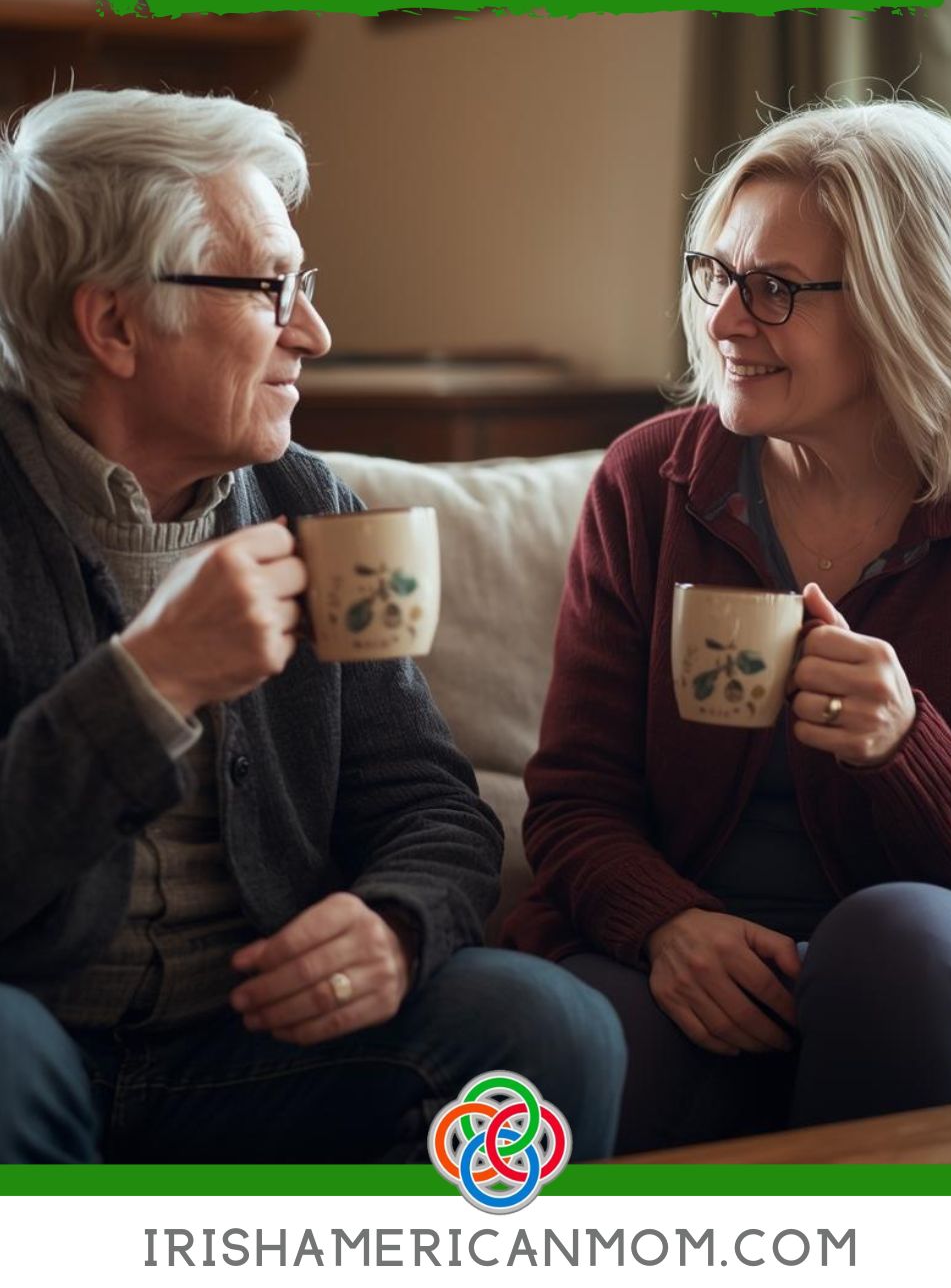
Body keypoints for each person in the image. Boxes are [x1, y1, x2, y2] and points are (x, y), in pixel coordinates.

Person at [0, 87, 625, 1164]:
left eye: (306, 285)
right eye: (268, 289)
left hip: (256, 1051)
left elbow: (430, 799)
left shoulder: (308, 505)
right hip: (33, 1037)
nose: (316, 332)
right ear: (112, 324)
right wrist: (146, 686)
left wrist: (396, 923)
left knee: (544, 1024)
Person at [504, 99, 951, 1154]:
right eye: (716, 275)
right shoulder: (651, 482)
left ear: (912, 303)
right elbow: (573, 803)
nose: (726, 321)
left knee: (893, 942)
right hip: (690, 948)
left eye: (773, 290)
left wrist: (909, 749)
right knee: (566, 1040)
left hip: (928, 959)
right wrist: (666, 924)